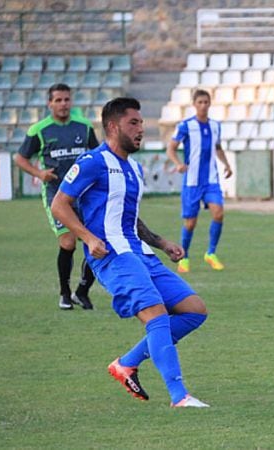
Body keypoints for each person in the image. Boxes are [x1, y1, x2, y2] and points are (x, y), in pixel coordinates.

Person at [51, 97, 209, 408]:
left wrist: (162, 243)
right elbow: (59, 204)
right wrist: (87, 237)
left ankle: (126, 364)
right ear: (112, 127)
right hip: (112, 256)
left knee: (194, 310)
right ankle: (180, 397)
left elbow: (129, 217)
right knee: (157, 316)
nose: (140, 129)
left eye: (141, 123)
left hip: (141, 253)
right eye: (133, 123)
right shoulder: (92, 162)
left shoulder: (133, 168)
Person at [14, 83, 99, 310]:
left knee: (97, 241)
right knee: (68, 242)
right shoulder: (39, 130)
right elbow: (20, 158)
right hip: (57, 194)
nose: (63, 104)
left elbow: (98, 156)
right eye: (58, 100)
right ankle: (64, 293)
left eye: (66, 100)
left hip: (85, 195)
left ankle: (82, 291)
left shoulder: (84, 127)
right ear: (49, 103)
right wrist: (39, 173)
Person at [166, 89, 232, 273]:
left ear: (210, 104)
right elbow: (171, 148)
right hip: (192, 182)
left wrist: (226, 164)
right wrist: (178, 164)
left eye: (206, 102)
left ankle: (210, 253)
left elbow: (217, 147)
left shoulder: (215, 126)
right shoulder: (186, 125)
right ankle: (184, 257)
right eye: (200, 102)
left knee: (218, 213)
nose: (203, 105)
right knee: (190, 223)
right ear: (194, 104)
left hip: (211, 179)